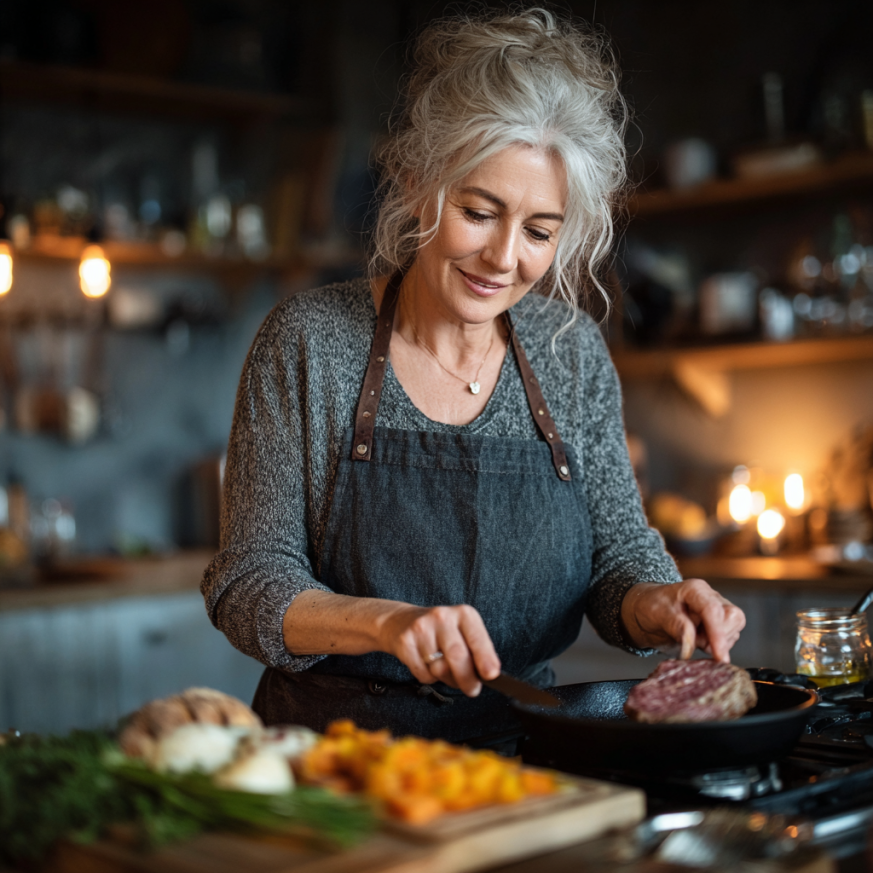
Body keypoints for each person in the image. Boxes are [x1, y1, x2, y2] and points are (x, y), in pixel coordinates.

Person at [202, 9, 745, 744]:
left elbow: (617, 557)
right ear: (419, 182)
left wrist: (663, 601)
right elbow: (249, 582)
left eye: (539, 231)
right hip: (331, 759)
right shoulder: (308, 341)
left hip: (525, 755)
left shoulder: (571, 354)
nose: (502, 257)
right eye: (478, 211)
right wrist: (385, 621)